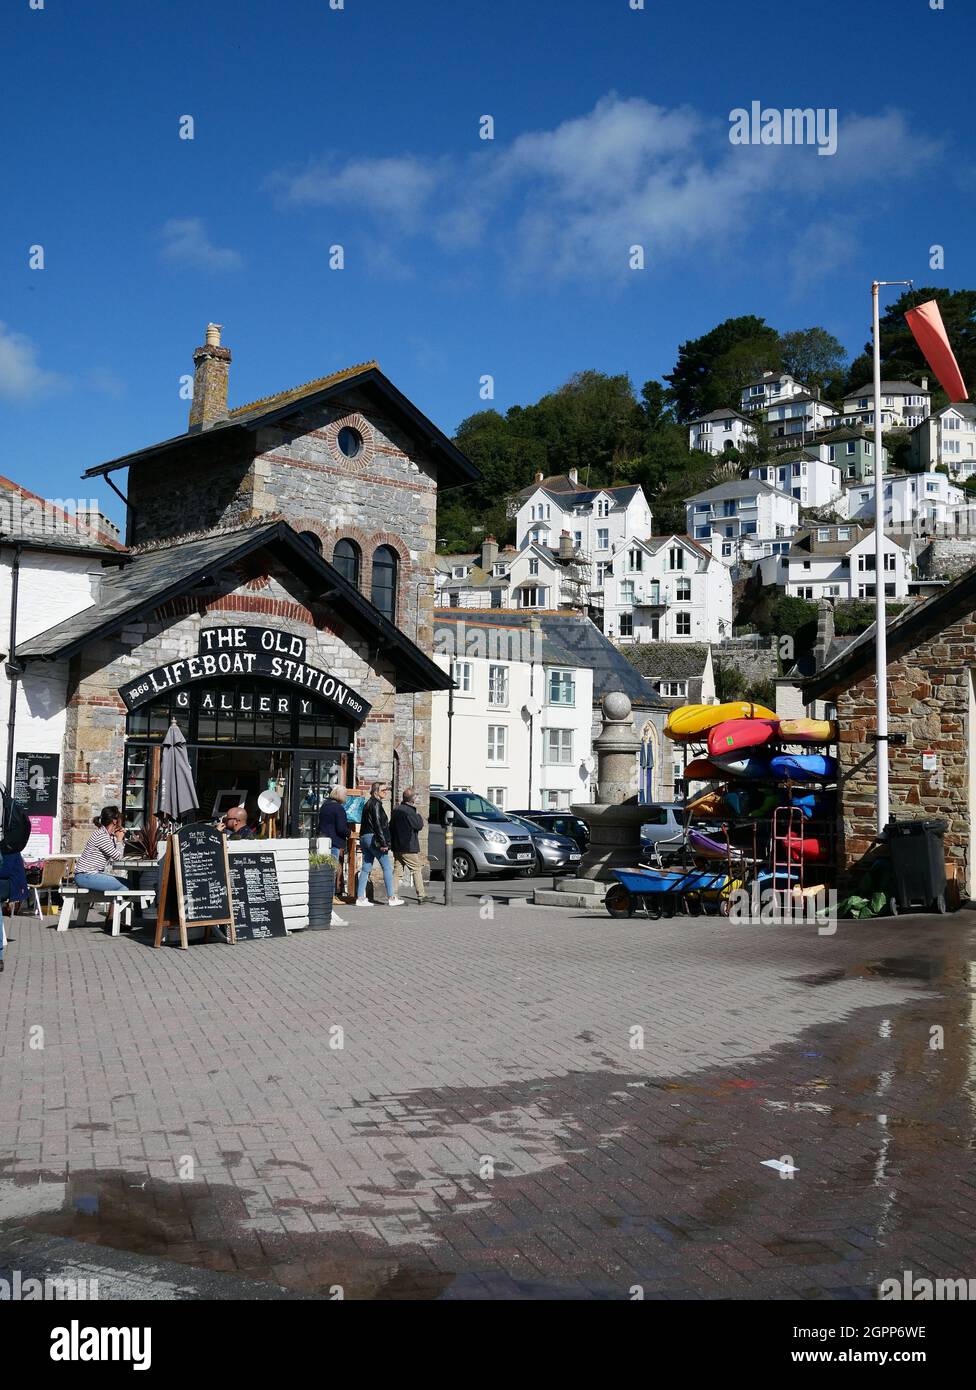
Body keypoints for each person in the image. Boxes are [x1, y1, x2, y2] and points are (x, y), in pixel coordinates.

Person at [356, 782, 403, 908]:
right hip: (374, 838)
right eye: (383, 790)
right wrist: (383, 843)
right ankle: (391, 898)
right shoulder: (376, 804)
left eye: (386, 790)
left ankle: (360, 897)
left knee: (366, 868)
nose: (386, 792)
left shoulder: (367, 804)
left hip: (365, 837)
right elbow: (377, 824)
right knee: (387, 867)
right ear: (376, 792)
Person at [75, 807, 128, 893]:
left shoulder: (105, 835)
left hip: (87, 875)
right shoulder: (101, 836)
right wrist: (119, 839)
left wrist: (118, 838)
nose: (122, 822)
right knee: (125, 884)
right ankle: (117, 906)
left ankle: (115, 905)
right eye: (120, 819)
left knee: (125, 884)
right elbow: (118, 857)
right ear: (115, 821)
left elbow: (116, 852)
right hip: (86, 876)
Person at [390, 789, 427, 905]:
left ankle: (393, 895)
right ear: (412, 799)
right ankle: (421, 895)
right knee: (416, 869)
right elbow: (419, 825)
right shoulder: (410, 812)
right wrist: (419, 815)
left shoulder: (396, 810)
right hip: (408, 846)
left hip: (397, 846)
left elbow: (391, 827)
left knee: (397, 871)